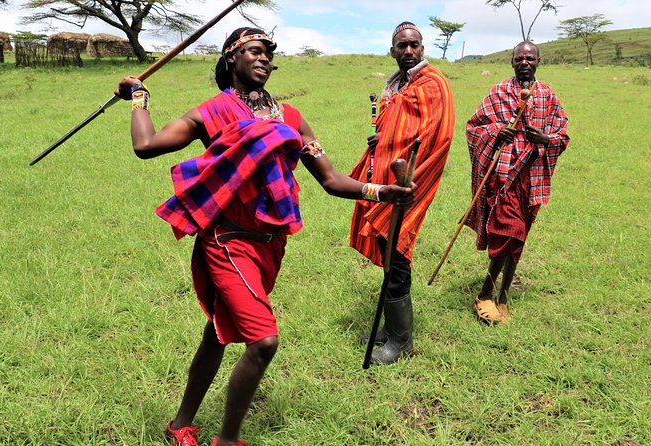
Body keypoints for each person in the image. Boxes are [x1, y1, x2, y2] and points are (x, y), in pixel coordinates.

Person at [114, 28, 414, 446]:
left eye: (269, 54)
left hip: (271, 245)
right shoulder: (212, 112)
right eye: (254, 51)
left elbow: (330, 179)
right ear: (231, 58)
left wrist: (381, 191)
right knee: (263, 341)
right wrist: (140, 98)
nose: (264, 59)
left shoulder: (290, 118)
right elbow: (146, 146)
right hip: (227, 242)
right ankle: (228, 441)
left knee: (218, 331)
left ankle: (180, 424)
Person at [349, 22, 455, 365]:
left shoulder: (433, 83)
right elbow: (396, 126)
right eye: (401, 46)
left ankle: (401, 342)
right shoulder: (395, 84)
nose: (408, 51)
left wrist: (396, 151)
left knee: (398, 254)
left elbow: (436, 135)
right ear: (392, 50)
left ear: (422, 49)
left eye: (414, 45)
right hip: (386, 179)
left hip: (410, 180)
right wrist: (382, 139)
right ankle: (390, 330)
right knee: (388, 251)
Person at [465, 40, 569, 323]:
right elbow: (474, 127)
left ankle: (503, 296)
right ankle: (485, 294)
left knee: (519, 238)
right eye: (519, 58)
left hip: (533, 180)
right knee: (509, 232)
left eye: (530, 58)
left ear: (538, 61)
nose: (524, 62)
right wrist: (497, 132)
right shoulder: (498, 92)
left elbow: (563, 136)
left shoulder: (548, 97)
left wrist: (545, 139)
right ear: (512, 62)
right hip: (503, 177)